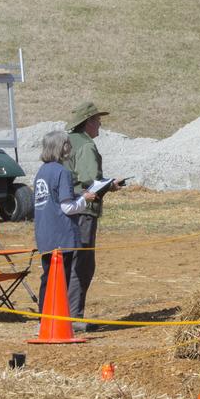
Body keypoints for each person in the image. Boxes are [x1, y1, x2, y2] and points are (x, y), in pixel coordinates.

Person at [65, 101, 123, 326]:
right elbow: (90, 179)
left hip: (66, 208)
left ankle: (61, 314)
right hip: (84, 209)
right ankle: (73, 317)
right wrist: (111, 185)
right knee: (83, 264)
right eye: (97, 119)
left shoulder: (67, 141)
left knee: (68, 261)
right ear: (87, 122)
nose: (100, 123)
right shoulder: (86, 146)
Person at [34, 130, 96, 318]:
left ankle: (44, 321)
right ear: (61, 147)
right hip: (62, 235)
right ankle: (58, 321)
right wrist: (85, 199)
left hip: (44, 234)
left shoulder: (41, 172)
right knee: (61, 280)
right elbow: (67, 207)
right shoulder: (62, 172)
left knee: (47, 279)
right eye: (67, 144)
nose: (70, 147)